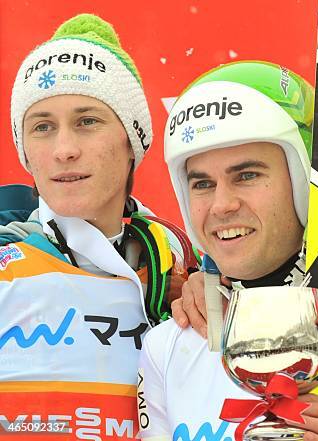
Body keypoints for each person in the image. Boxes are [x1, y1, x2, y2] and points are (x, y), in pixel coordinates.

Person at [0, 14, 191, 439]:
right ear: (26, 152)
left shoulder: (185, 269)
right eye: (43, 127)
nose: (64, 150)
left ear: (132, 140)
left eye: (87, 121)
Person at [138, 61, 318, 441]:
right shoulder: (168, 345)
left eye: (247, 175)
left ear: (304, 182)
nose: (221, 205)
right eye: (202, 184)